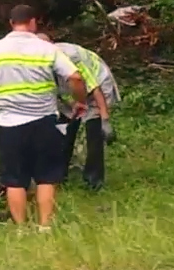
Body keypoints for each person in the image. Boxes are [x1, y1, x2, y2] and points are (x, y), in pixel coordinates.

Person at [0, 5, 85, 230]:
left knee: (14, 180)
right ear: (33, 22)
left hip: (10, 124)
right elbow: (75, 76)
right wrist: (79, 100)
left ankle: (20, 229)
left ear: (11, 23)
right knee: (46, 177)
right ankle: (45, 226)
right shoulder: (45, 48)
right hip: (44, 121)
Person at [41, 34, 118, 190]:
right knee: (64, 131)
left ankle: (94, 181)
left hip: (97, 82)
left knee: (93, 132)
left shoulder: (70, 58)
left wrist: (105, 119)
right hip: (72, 90)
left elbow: (94, 87)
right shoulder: (37, 61)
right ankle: (58, 175)